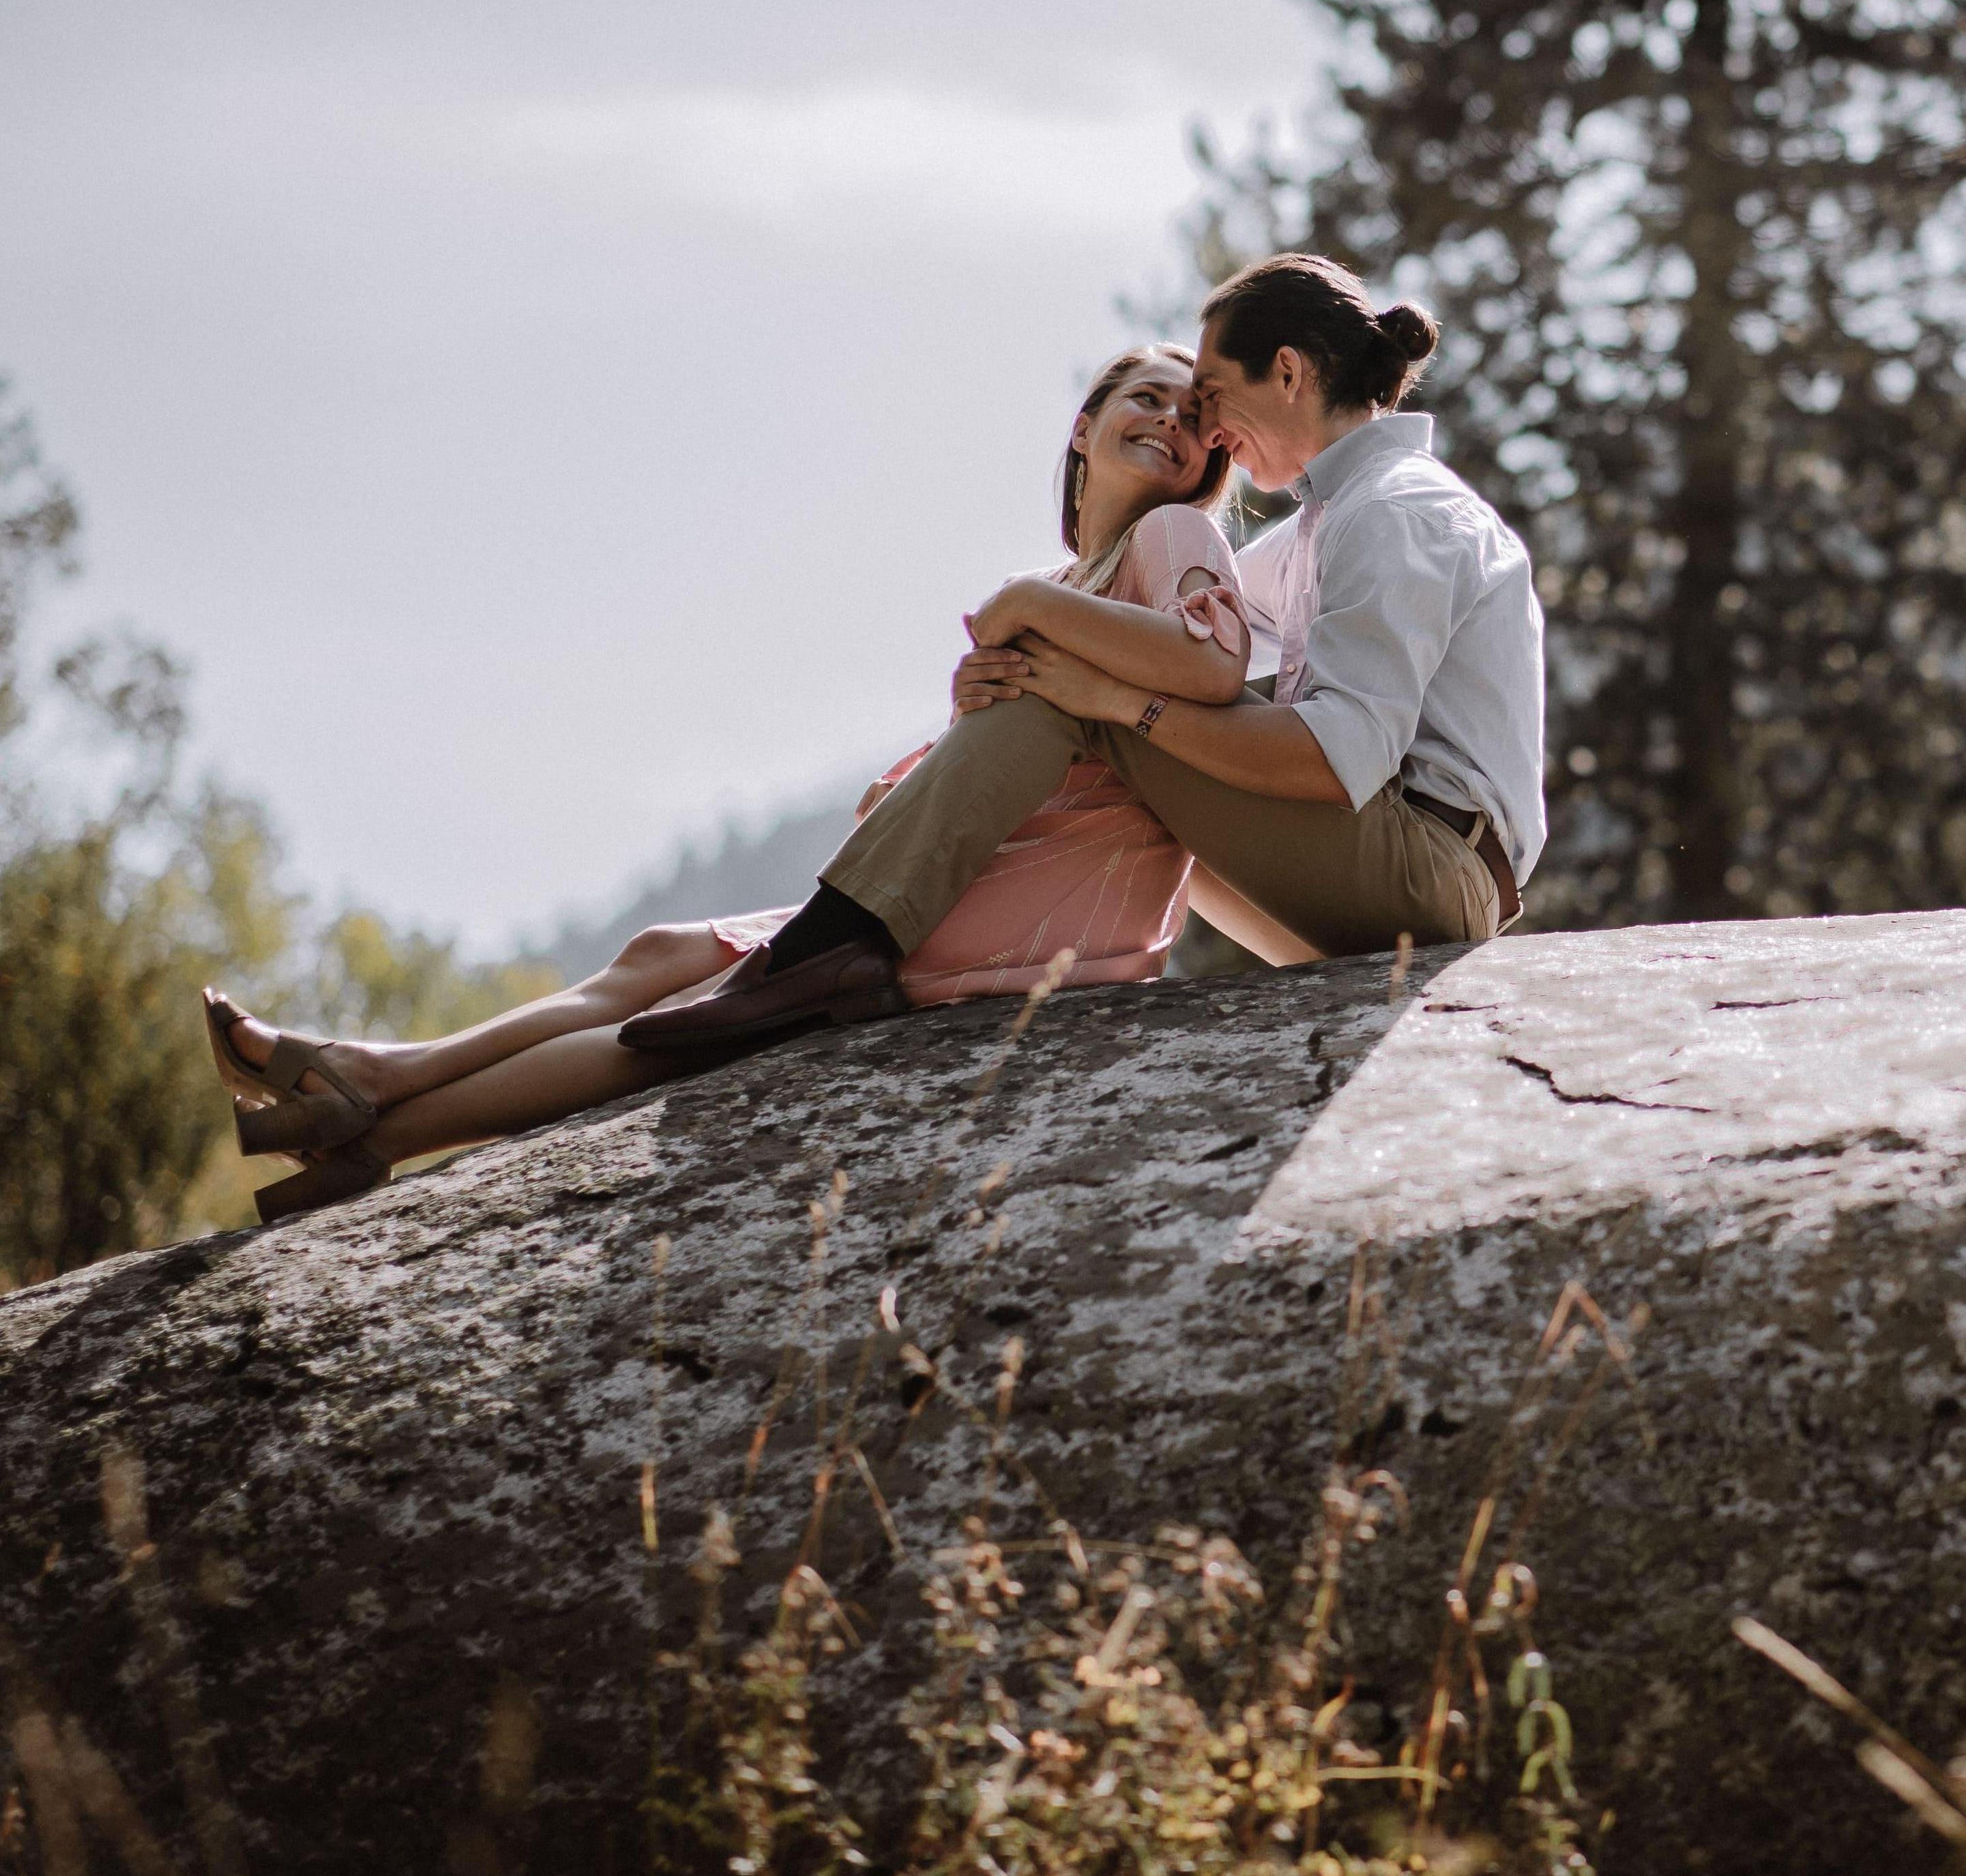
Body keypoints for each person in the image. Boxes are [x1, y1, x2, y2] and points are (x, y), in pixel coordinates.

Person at [203, 343, 1248, 1219]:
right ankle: (374, 1089)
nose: (1167, 417)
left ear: (1209, 458)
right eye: (1142, 395)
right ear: (1083, 425)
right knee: (663, 950)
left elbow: (1215, 662)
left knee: (706, 1010)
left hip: (1052, 897)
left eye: (1192, 413)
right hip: (983, 869)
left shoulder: (1173, 534)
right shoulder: (1073, 581)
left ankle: (377, 1114)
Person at [624, 252, 1546, 1061]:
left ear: (1289, 372)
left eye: (1215, 398)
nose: (1213, 431)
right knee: (1085, 681)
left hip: (1430, 882)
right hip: (1388, 877)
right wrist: (998, 673)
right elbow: (1163, 633)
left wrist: (1097, 687)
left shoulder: (1394, 512)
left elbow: (1330, 758)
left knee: (1091, 698)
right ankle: (889, 941)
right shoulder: (1327, 524)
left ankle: (834, 943)